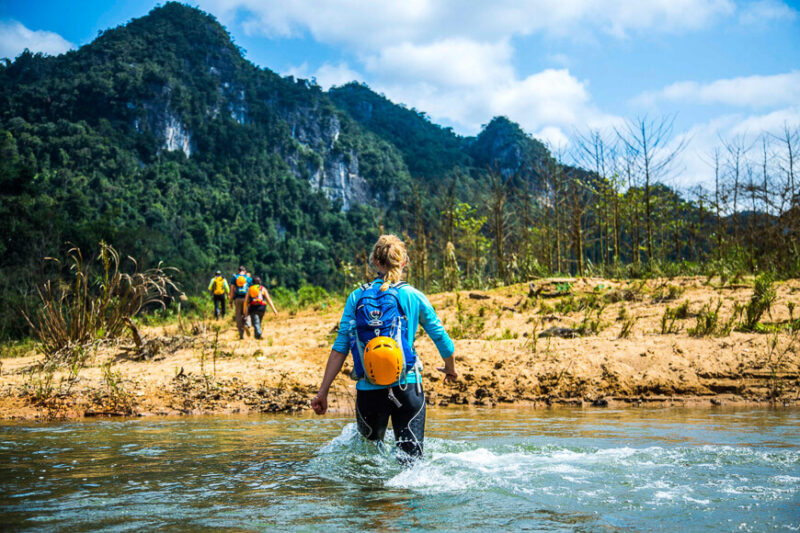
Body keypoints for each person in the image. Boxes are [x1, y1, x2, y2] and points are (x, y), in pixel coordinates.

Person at [312, 234, 457, 462]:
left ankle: (375, 499)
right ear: (404, 262)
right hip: (407, 387)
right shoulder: (413, 295)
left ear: (375, 262)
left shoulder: (356, 296)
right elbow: (442, 339)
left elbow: (340, 347)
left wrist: (323, 392)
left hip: (369, 392)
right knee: (411, 465)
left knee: (369, 461)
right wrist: (450, 368)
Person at [229, 266, 252, 339]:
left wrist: (230, 301)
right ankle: (247, 324)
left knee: (238, 315)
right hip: (246, 298)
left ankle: (241, 334)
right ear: (245, 271)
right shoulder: (248, 278)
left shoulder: (235, 278)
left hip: (238, 299)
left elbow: (232, 290)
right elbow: (251, 290)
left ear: (238, 271)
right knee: (247, 313)